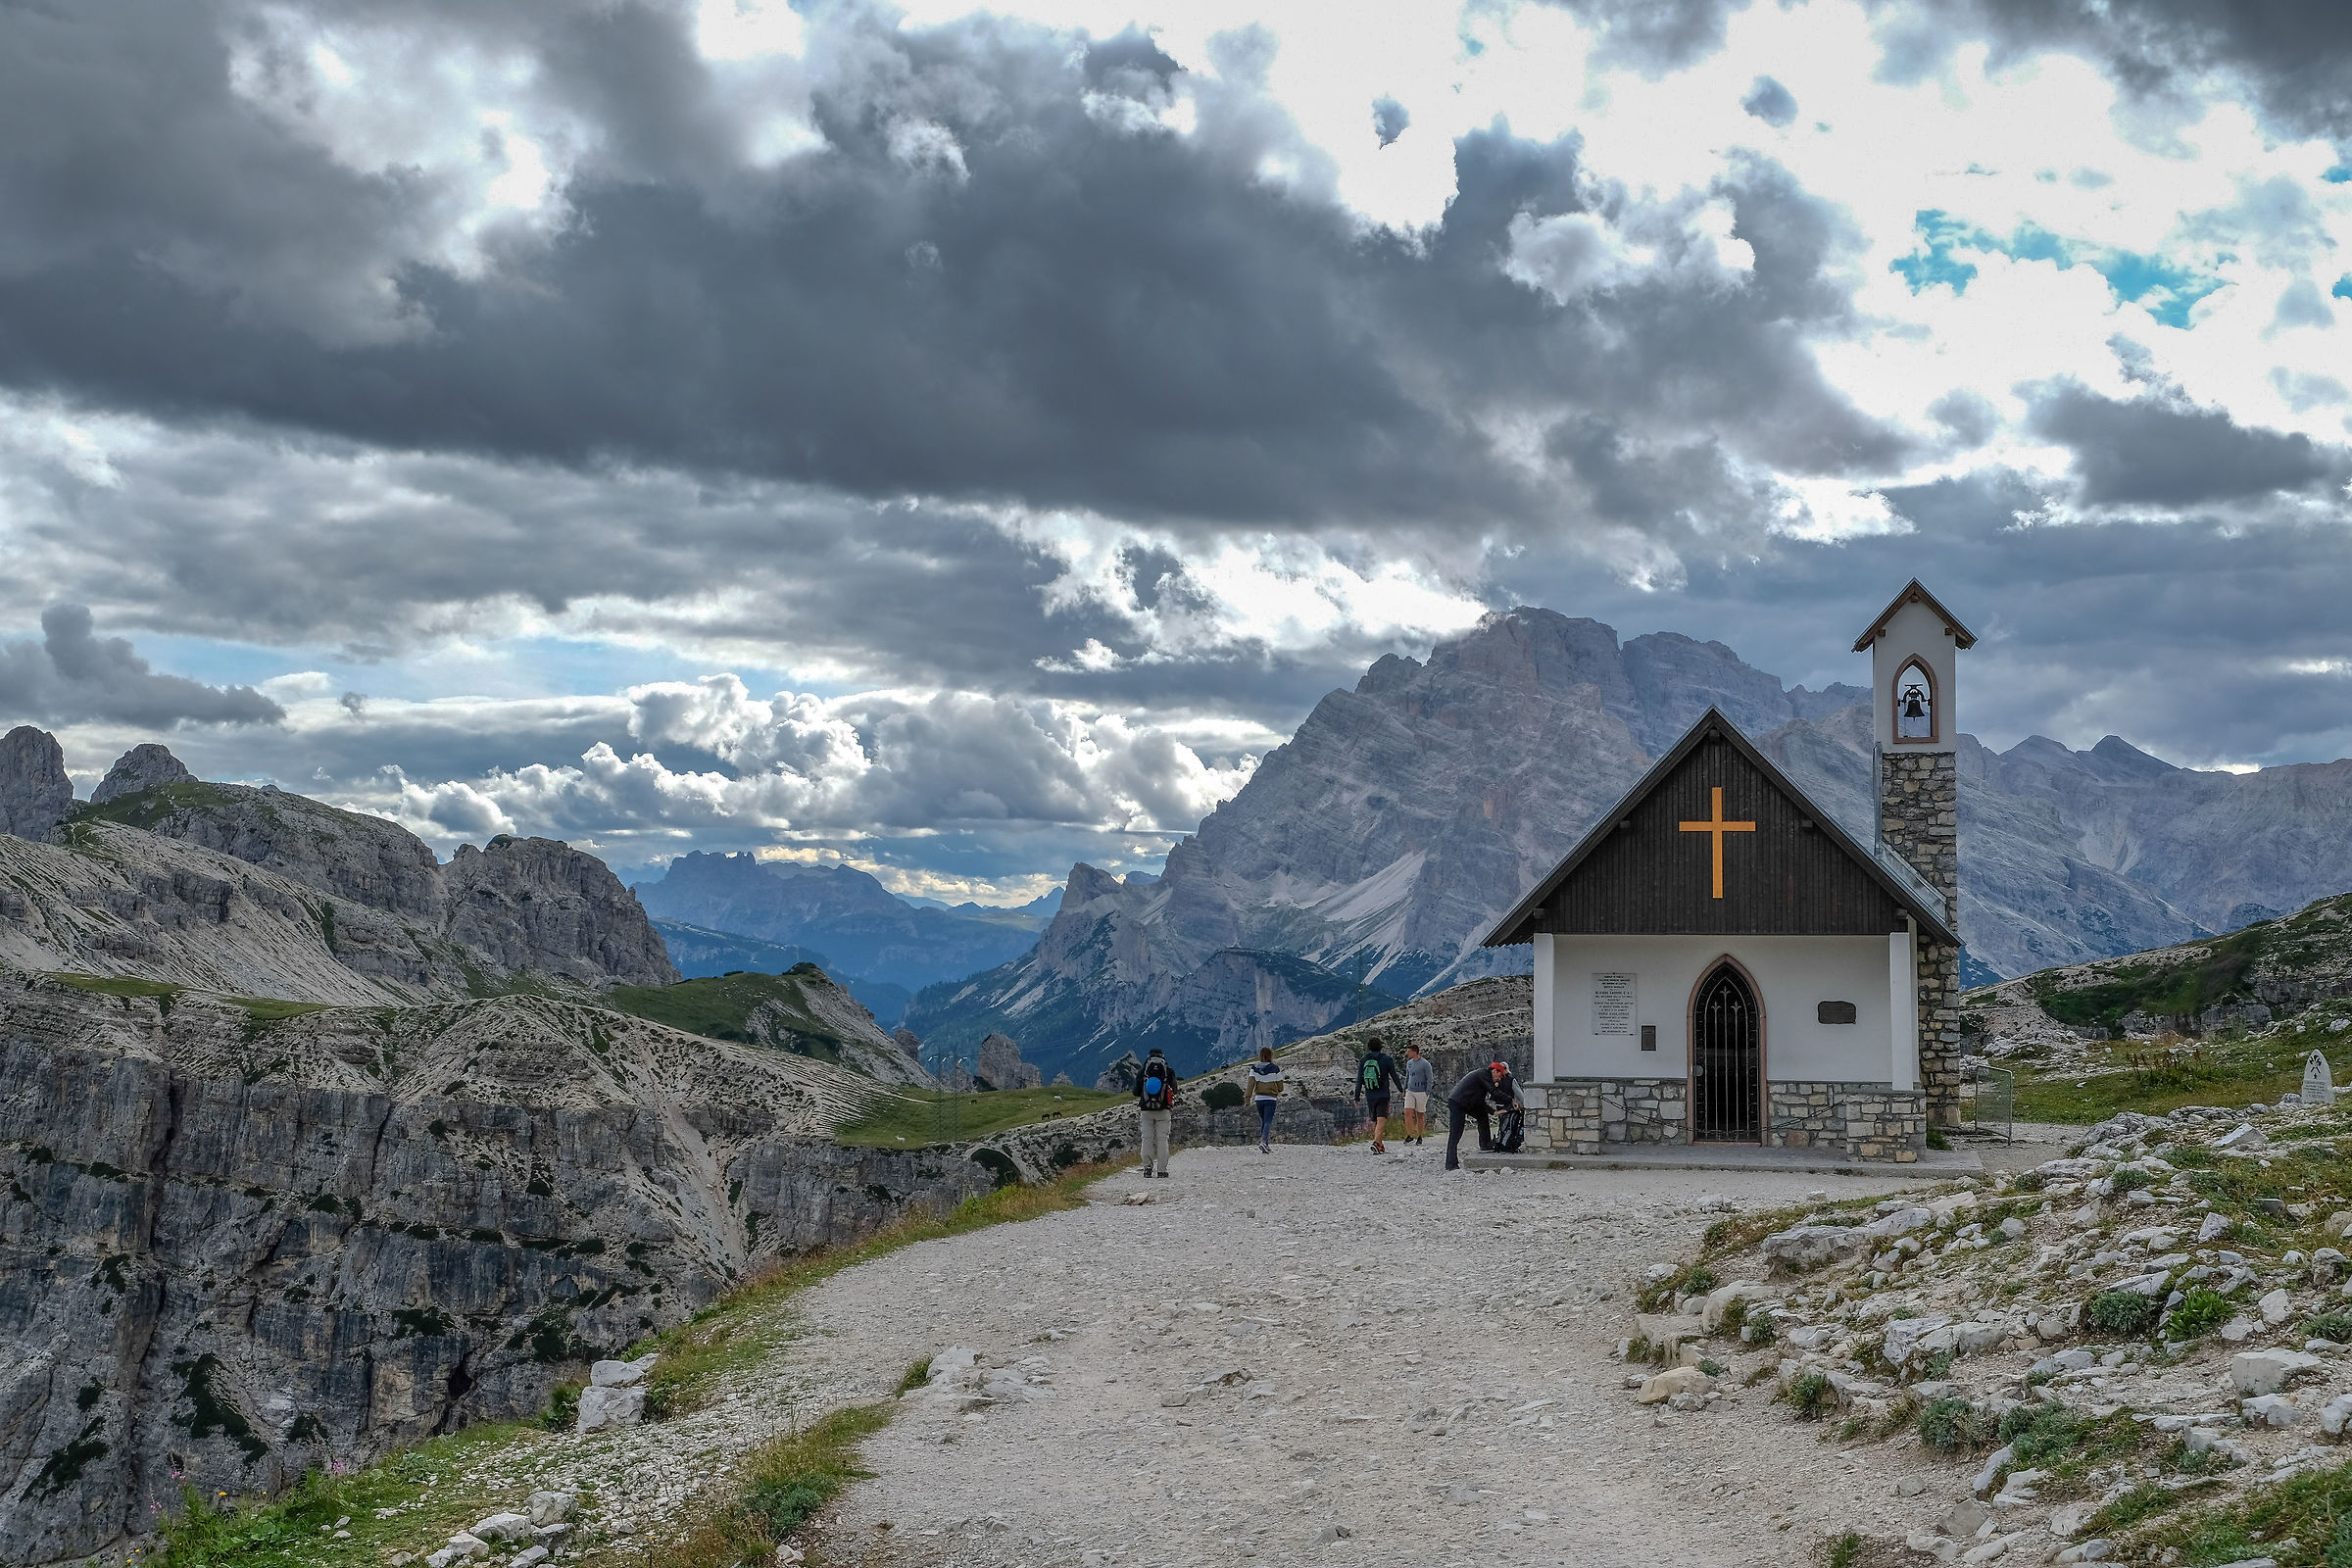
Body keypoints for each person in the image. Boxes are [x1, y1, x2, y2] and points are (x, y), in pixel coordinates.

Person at [1444, 1059, 1521, 1171]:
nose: (1500, 1079)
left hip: (1469, 1103)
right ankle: (1451, 1164)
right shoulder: (1483, 1074)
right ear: (1495, 1071)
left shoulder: (1484, 1078)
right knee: (1456, 1133)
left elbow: (1480, 1102)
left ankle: (1485, 1144)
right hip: (1457, 1103)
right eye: (1500, 1076)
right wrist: (1511, 1100)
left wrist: (1494, 1112)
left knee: (1482, 1116)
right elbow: (1494, 1092)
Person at [1353, 1035, 1401, 1153]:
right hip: (1383, 1094)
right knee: (1381, 1120)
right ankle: (1376, 1143)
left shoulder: (1364, 1060)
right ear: (1381, 1047)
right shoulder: (1387, 1059)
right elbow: (1394, 1076)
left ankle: (1379, 1145)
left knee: (1375, 1120)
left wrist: (1357, 1096)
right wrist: (1401, 1089)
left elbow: (1359, 1079)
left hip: (1370, 1095)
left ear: (1369, 1047)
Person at [1135, 1047, 1178, 1178]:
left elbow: (1136, 1092)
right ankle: (1162, 1170)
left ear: (1149, 1057)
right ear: (1162, 1056)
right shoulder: (1168, 1071)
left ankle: (1147, 1168)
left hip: (1146, 1110)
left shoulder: (1143, 1071)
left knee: (1147, 1139)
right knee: (1162, 1140)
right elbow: (1174, 1089)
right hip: (1163, 1110)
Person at [1246, 1046, 1286, 1153]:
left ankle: (1265, 1145)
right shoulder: (1275, 1069)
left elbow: (1250, 1085)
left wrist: (1247, 1098)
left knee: (1263, 1120)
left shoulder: (1254, 1069)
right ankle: (1263, 1142)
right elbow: (1280, 1086)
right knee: (1268, 1121)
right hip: (1271, 1099)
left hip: (1259, 1099)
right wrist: (1277, 1089)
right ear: (1270, 1056)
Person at [1401, 1043, 1433, 1145]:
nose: (1407, 1053)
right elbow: (1408, 1076)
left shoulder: (1425, 1064)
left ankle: (1420, 1135)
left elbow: (1430, 1078)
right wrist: (1404, 1089)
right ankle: (1410, 1135)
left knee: (1420, 1114)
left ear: (1414, 1052)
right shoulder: (1409, 1063)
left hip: (1421, 1092)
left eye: (1409, 1051)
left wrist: (1427, 1092)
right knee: (1407, 1112)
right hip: (1410, 1091)